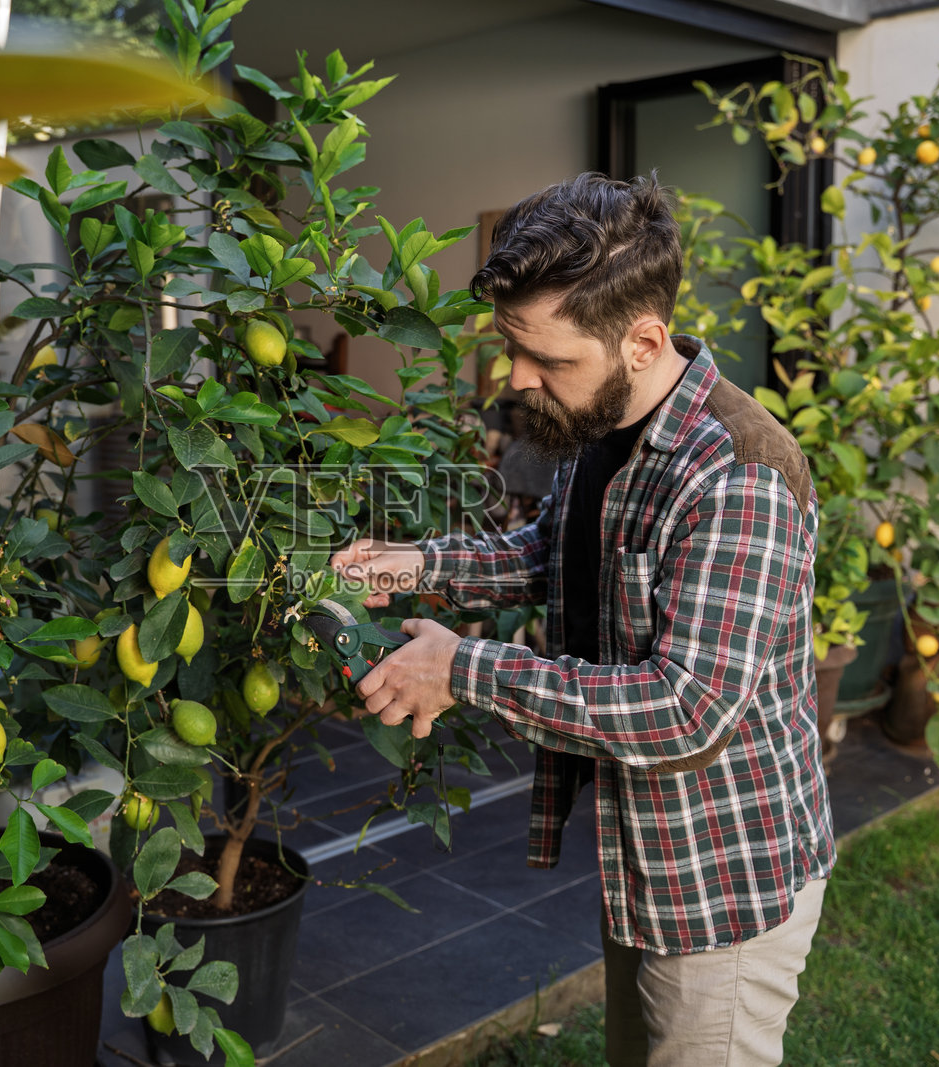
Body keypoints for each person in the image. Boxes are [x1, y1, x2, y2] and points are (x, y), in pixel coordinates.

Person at [328, 172, 835, 1067]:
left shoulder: (737, 473)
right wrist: (413, 565)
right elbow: (550, 552)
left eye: (548, 359)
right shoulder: (606, 421)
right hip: (648, 858)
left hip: (720, 877)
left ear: (641, 340)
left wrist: (463, 669)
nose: (519, 381)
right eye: (514, 348)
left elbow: (687, 709)